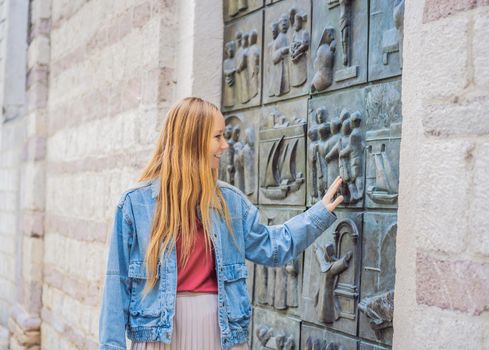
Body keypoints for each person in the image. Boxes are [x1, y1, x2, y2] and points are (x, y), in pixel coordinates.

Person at [98, 97, 344, 350]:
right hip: (159, 337)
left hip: (220, 335)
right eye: (217, 137)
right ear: (193, 141)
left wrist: (319, 214)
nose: (225, 145)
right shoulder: (134, 204)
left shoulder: (231, 203)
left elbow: (272, 246)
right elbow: (116, 285)